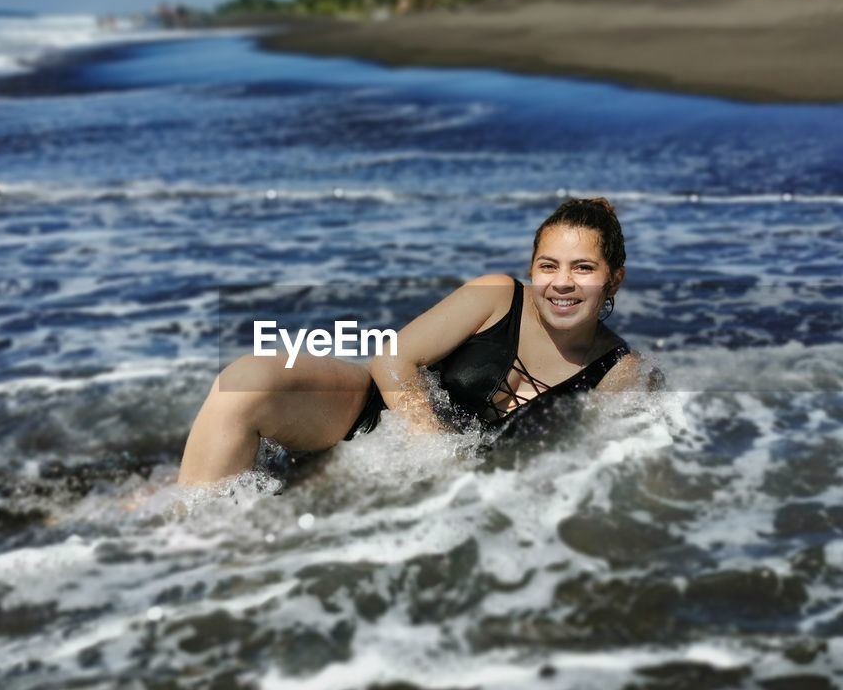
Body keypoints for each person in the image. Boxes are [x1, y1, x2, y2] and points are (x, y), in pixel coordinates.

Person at [177, 197, 640, 485]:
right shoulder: (497, 295)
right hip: (366, 417)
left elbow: (587, 463)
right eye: (548, 265)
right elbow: (392, 359)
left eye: (583, 268)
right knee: (248, 381)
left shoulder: (619, 370)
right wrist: (432, 442)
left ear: (613, 280)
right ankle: (186, 544)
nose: (561, 283)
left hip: (441, 495)